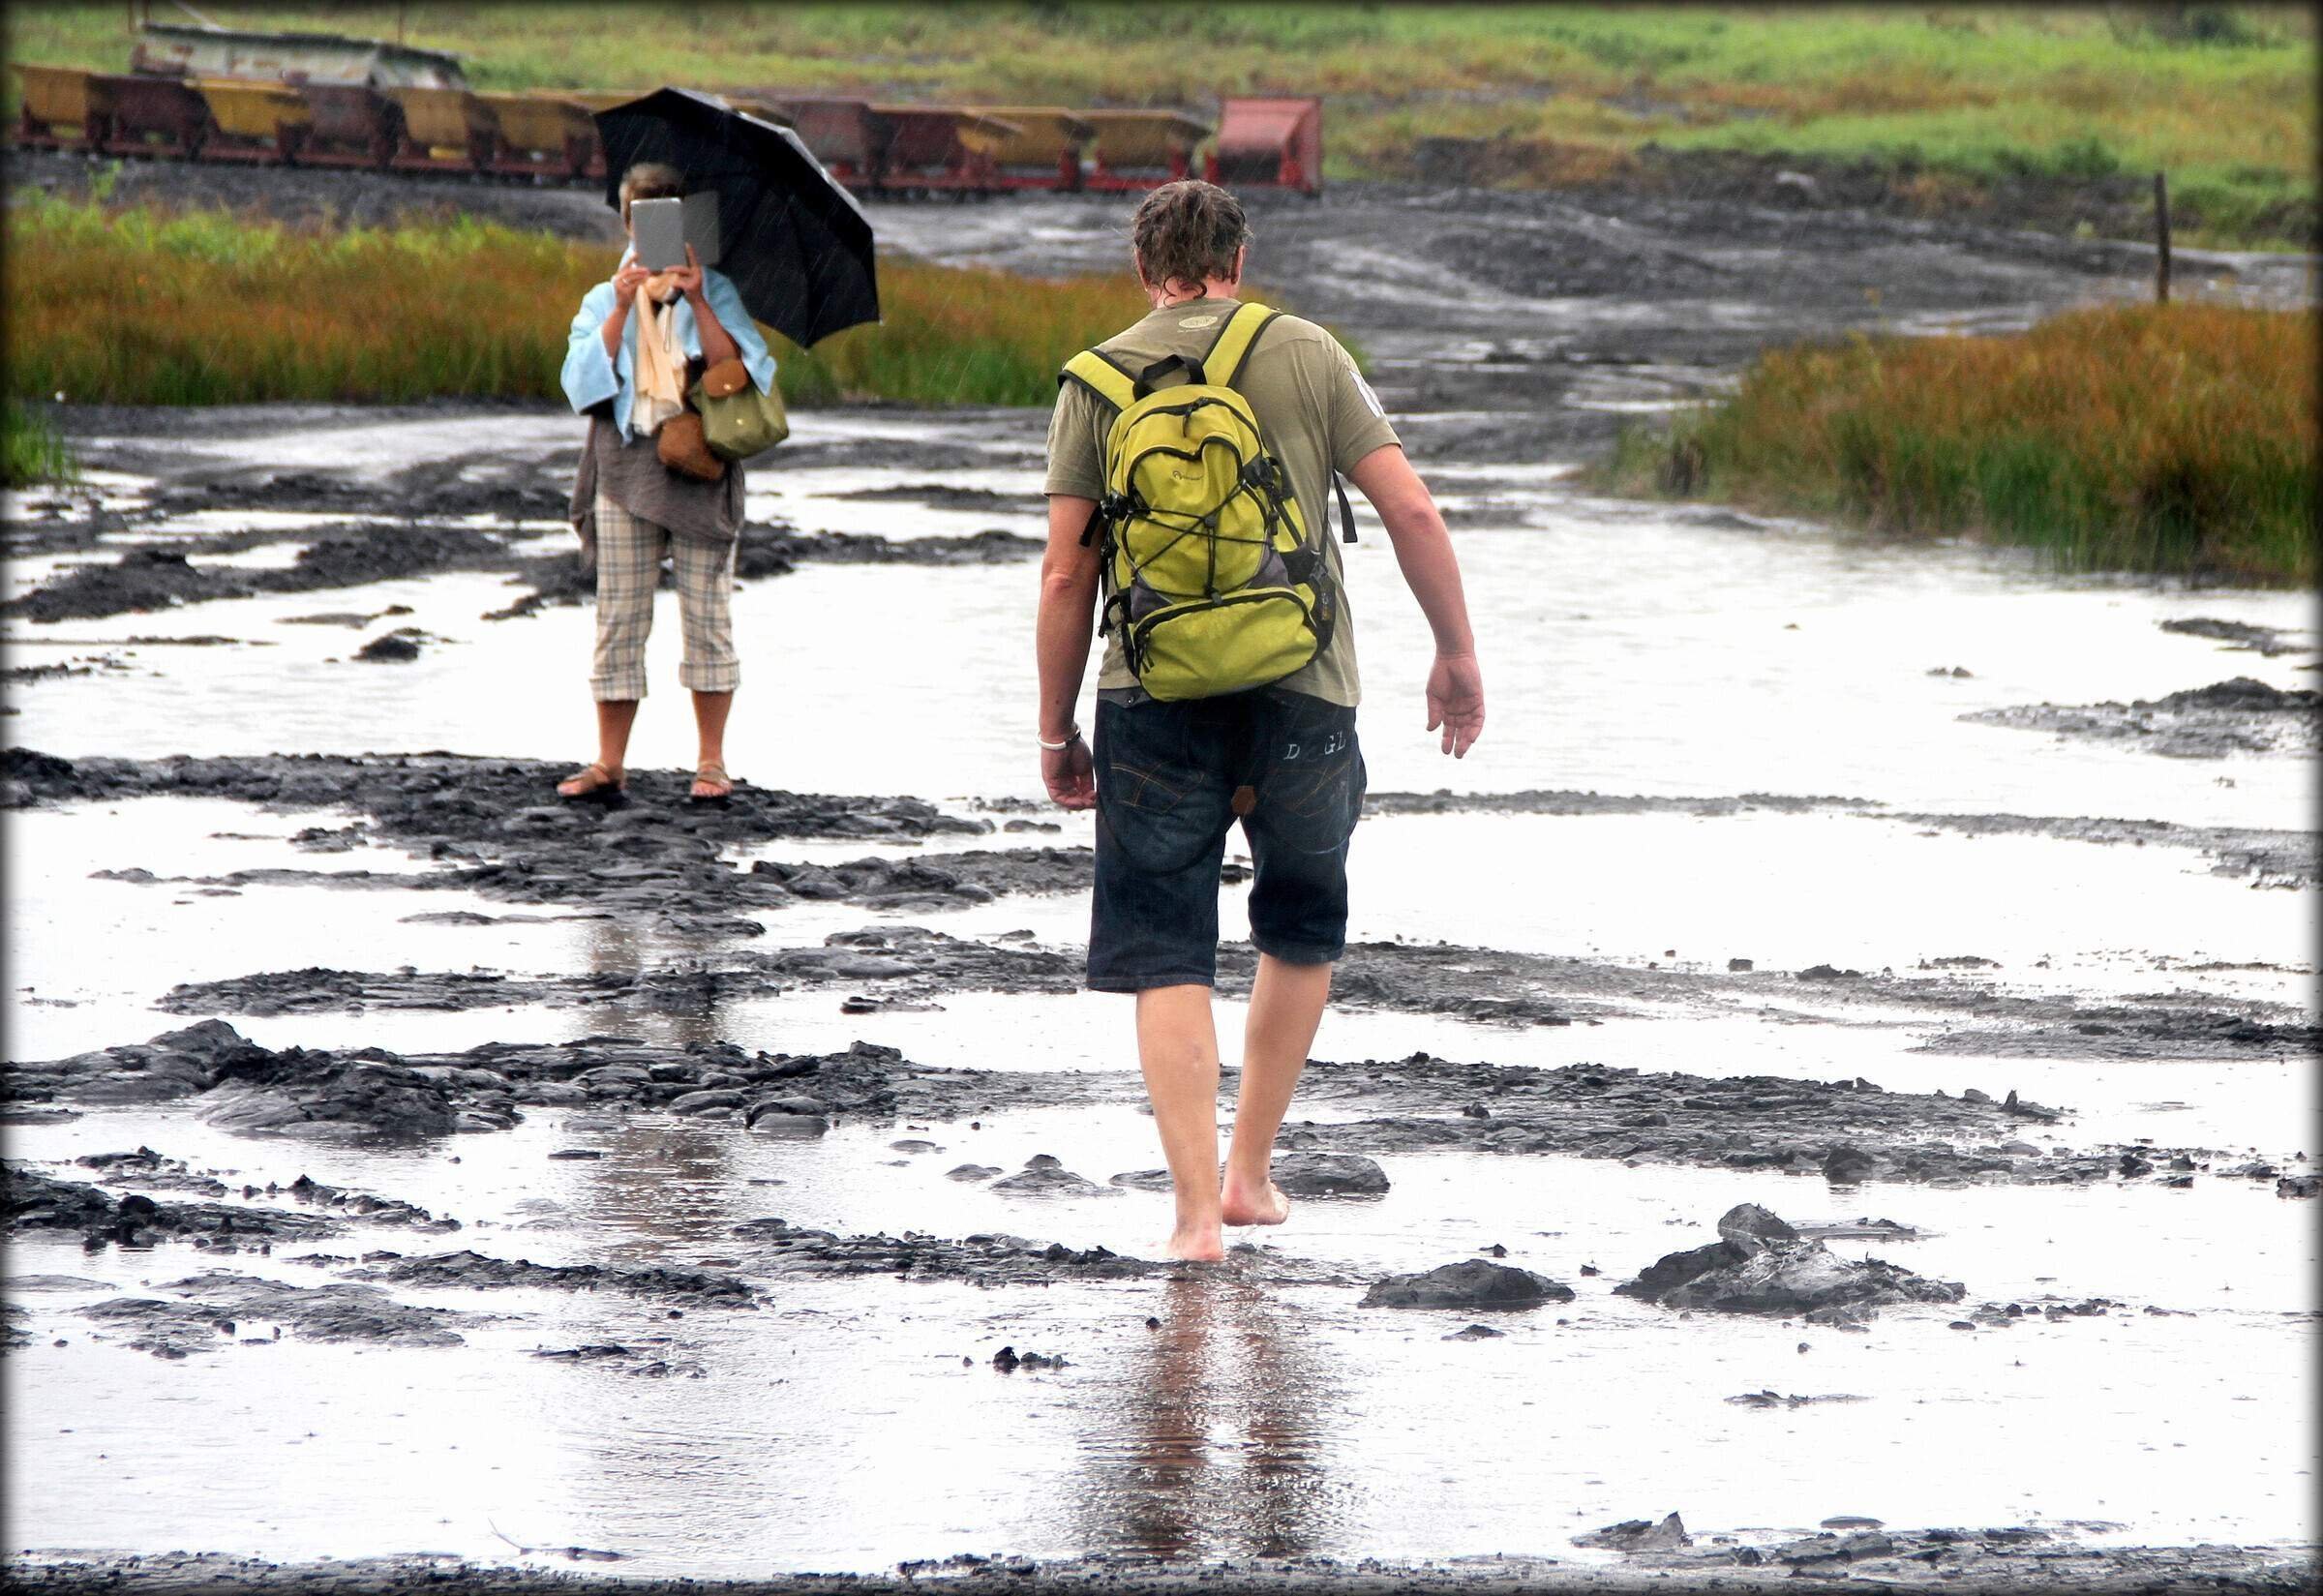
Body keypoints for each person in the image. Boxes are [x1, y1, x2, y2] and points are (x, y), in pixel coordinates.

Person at [1038, 180, 1484, 1261]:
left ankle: (1193, 1217)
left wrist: (1057, 731)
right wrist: (1456, 653)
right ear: (1237, 262)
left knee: (1165, 947)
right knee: (1298, 920)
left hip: (1152, 694)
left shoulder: (1094, 380)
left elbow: (1065, 576)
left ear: (1145, 271)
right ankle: (1249, 1174)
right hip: (1306, 687)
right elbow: (1412, 509)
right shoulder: (1307, 352)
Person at [557, 161, 777, 801]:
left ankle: (711, 762)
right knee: (619, 615)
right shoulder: (604, 296)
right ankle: (608, 762)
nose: (654, 235)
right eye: (645, 220)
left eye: (670, 220)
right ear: (627, 222)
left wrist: (701, 299)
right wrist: (623, 308)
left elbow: (746, 373)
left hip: (701, 463)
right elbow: (581, 385)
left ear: (690, 224)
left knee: (708, 616)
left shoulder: (717, 289)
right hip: (626, 463)